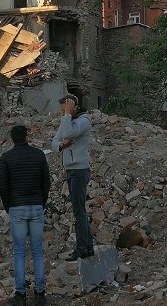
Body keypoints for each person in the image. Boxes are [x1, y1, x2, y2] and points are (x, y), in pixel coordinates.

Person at [0, 125, 51, 306]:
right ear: (26, 137)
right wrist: (41, 202)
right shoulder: (39, 155)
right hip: (36, 206)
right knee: (37, 250)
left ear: (12, 138)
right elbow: (46, 182)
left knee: (19, 252)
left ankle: (20, 295)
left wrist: (8, 206)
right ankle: (40, 293)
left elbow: (3, 186)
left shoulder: (6, 158)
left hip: (17, 207)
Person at [51, 93, 94, 261]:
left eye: (66, 110)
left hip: (79, 170)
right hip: (71, 170)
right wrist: (61, 145)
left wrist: (68, 116)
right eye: (62, 111)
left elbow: (68, 133)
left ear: (75, 107)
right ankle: (87, 248)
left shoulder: (83, 121)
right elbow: (54, 142)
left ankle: (82, 249)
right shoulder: (67, 121)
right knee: (78, 211)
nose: (63, 113)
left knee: (79, 212)